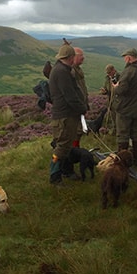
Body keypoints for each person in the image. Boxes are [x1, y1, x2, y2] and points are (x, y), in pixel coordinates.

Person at [48, 43, 88, 185]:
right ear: (70, 57)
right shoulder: (62, 72)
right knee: (62, 147)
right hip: (65, 116)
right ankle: (55, 176)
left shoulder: (61, 69)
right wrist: (82, 108)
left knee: (64, 146)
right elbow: (70, 96)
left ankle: (63, 171)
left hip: (65, 115)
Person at [112, 48, 137, 167]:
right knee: (136, 135)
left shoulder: (129, 71)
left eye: (125, 57)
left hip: (125, 108)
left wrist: (115, 87)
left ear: (129, 58)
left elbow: (122, 89)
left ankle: (122, 164)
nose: (124, 59)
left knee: (123, 135)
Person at [100, 64, 120, 134]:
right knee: (113, 119)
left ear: (113, 70)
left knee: (119, 120)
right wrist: (104, 91)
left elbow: (121, 89)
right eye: (107, 73)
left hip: (118, 102)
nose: (108, 74)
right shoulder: (107, 78)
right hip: (111, 103)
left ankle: (119, 134)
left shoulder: (120, 77)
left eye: (109, 73)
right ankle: (114, 133)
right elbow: (106, 88)